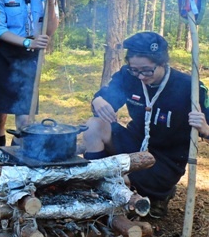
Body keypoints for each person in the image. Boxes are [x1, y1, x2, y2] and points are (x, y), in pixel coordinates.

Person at [82, 32, 209, 218]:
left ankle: (154, 196)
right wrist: (98, 100)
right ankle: (97, 182)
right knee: (94, 126)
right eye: (135, 70)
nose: (140, 76)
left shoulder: (190, 87)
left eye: (147, 70)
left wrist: (205, 129)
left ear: (163, 62)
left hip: (165, 161)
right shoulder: (128, 76)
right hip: (134, 144)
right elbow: (106, 99)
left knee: (117, 178)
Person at [0, 0, 58, 152]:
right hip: (4, 56)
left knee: (25, 118)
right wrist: (28, 41)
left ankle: (17, 163)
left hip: (30, 58)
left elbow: (51, 27)